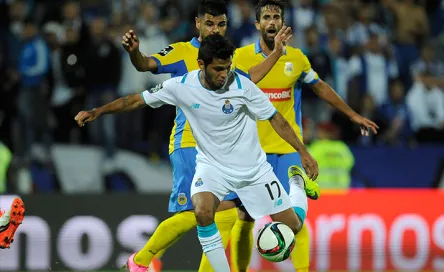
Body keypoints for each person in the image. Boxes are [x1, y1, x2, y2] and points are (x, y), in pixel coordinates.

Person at [75, 33, 319, 272]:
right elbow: (136, 101)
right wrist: (99, 111)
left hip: (253, 171)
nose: (224, 74)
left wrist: (303, 153)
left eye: (227, 67)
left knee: (293, 226)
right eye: (218, 69)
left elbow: (277, 120)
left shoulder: (242, 85)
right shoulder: (182, 86)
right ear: (201, 65)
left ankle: (296, 182)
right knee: (202, 212)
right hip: (212, 168)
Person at [119, 0, 292, 271]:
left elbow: (248, 79)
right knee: (203, 213)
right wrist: (134, 53)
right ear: (198, 23)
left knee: (232, 214)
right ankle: (139, 261)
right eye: (209, 23)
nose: (215, 29)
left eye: (221, 24)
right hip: (190, 143)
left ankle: (144, 262)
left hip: (222, 152)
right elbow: (145, 65)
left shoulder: (223, 56)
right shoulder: (181, 52)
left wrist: (275, 54)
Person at [230, 1, 379, 271]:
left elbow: (320, 87)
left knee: (293, 221)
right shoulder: (240, 57)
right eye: (266, 17)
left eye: (277, 16)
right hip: (252, 153)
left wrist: (352, 114)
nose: (272, 22)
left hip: (288, 149)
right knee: (244, 216)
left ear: (284, 23)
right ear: (257, 24)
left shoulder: (297, 58)